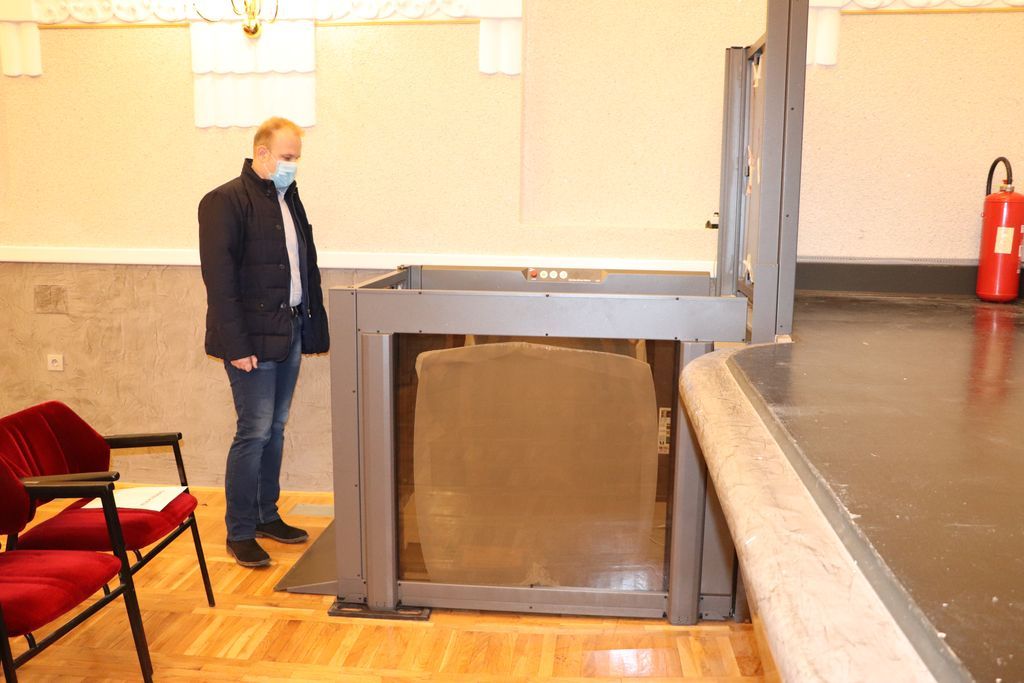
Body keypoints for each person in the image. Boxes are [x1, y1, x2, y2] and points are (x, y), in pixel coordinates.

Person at [199, 117, 330, 568]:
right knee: (253, 431)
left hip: (288, 330)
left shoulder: (288, 199)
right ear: (262, 153)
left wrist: (311, 327)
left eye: (297, 158)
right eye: (288, 157)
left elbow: (304, 268)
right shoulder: (224, 201)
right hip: (250, 340)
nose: (293, 165)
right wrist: (237, 346)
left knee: (275, 428)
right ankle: (239, 531)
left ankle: (265, 515)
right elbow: (220, 283)